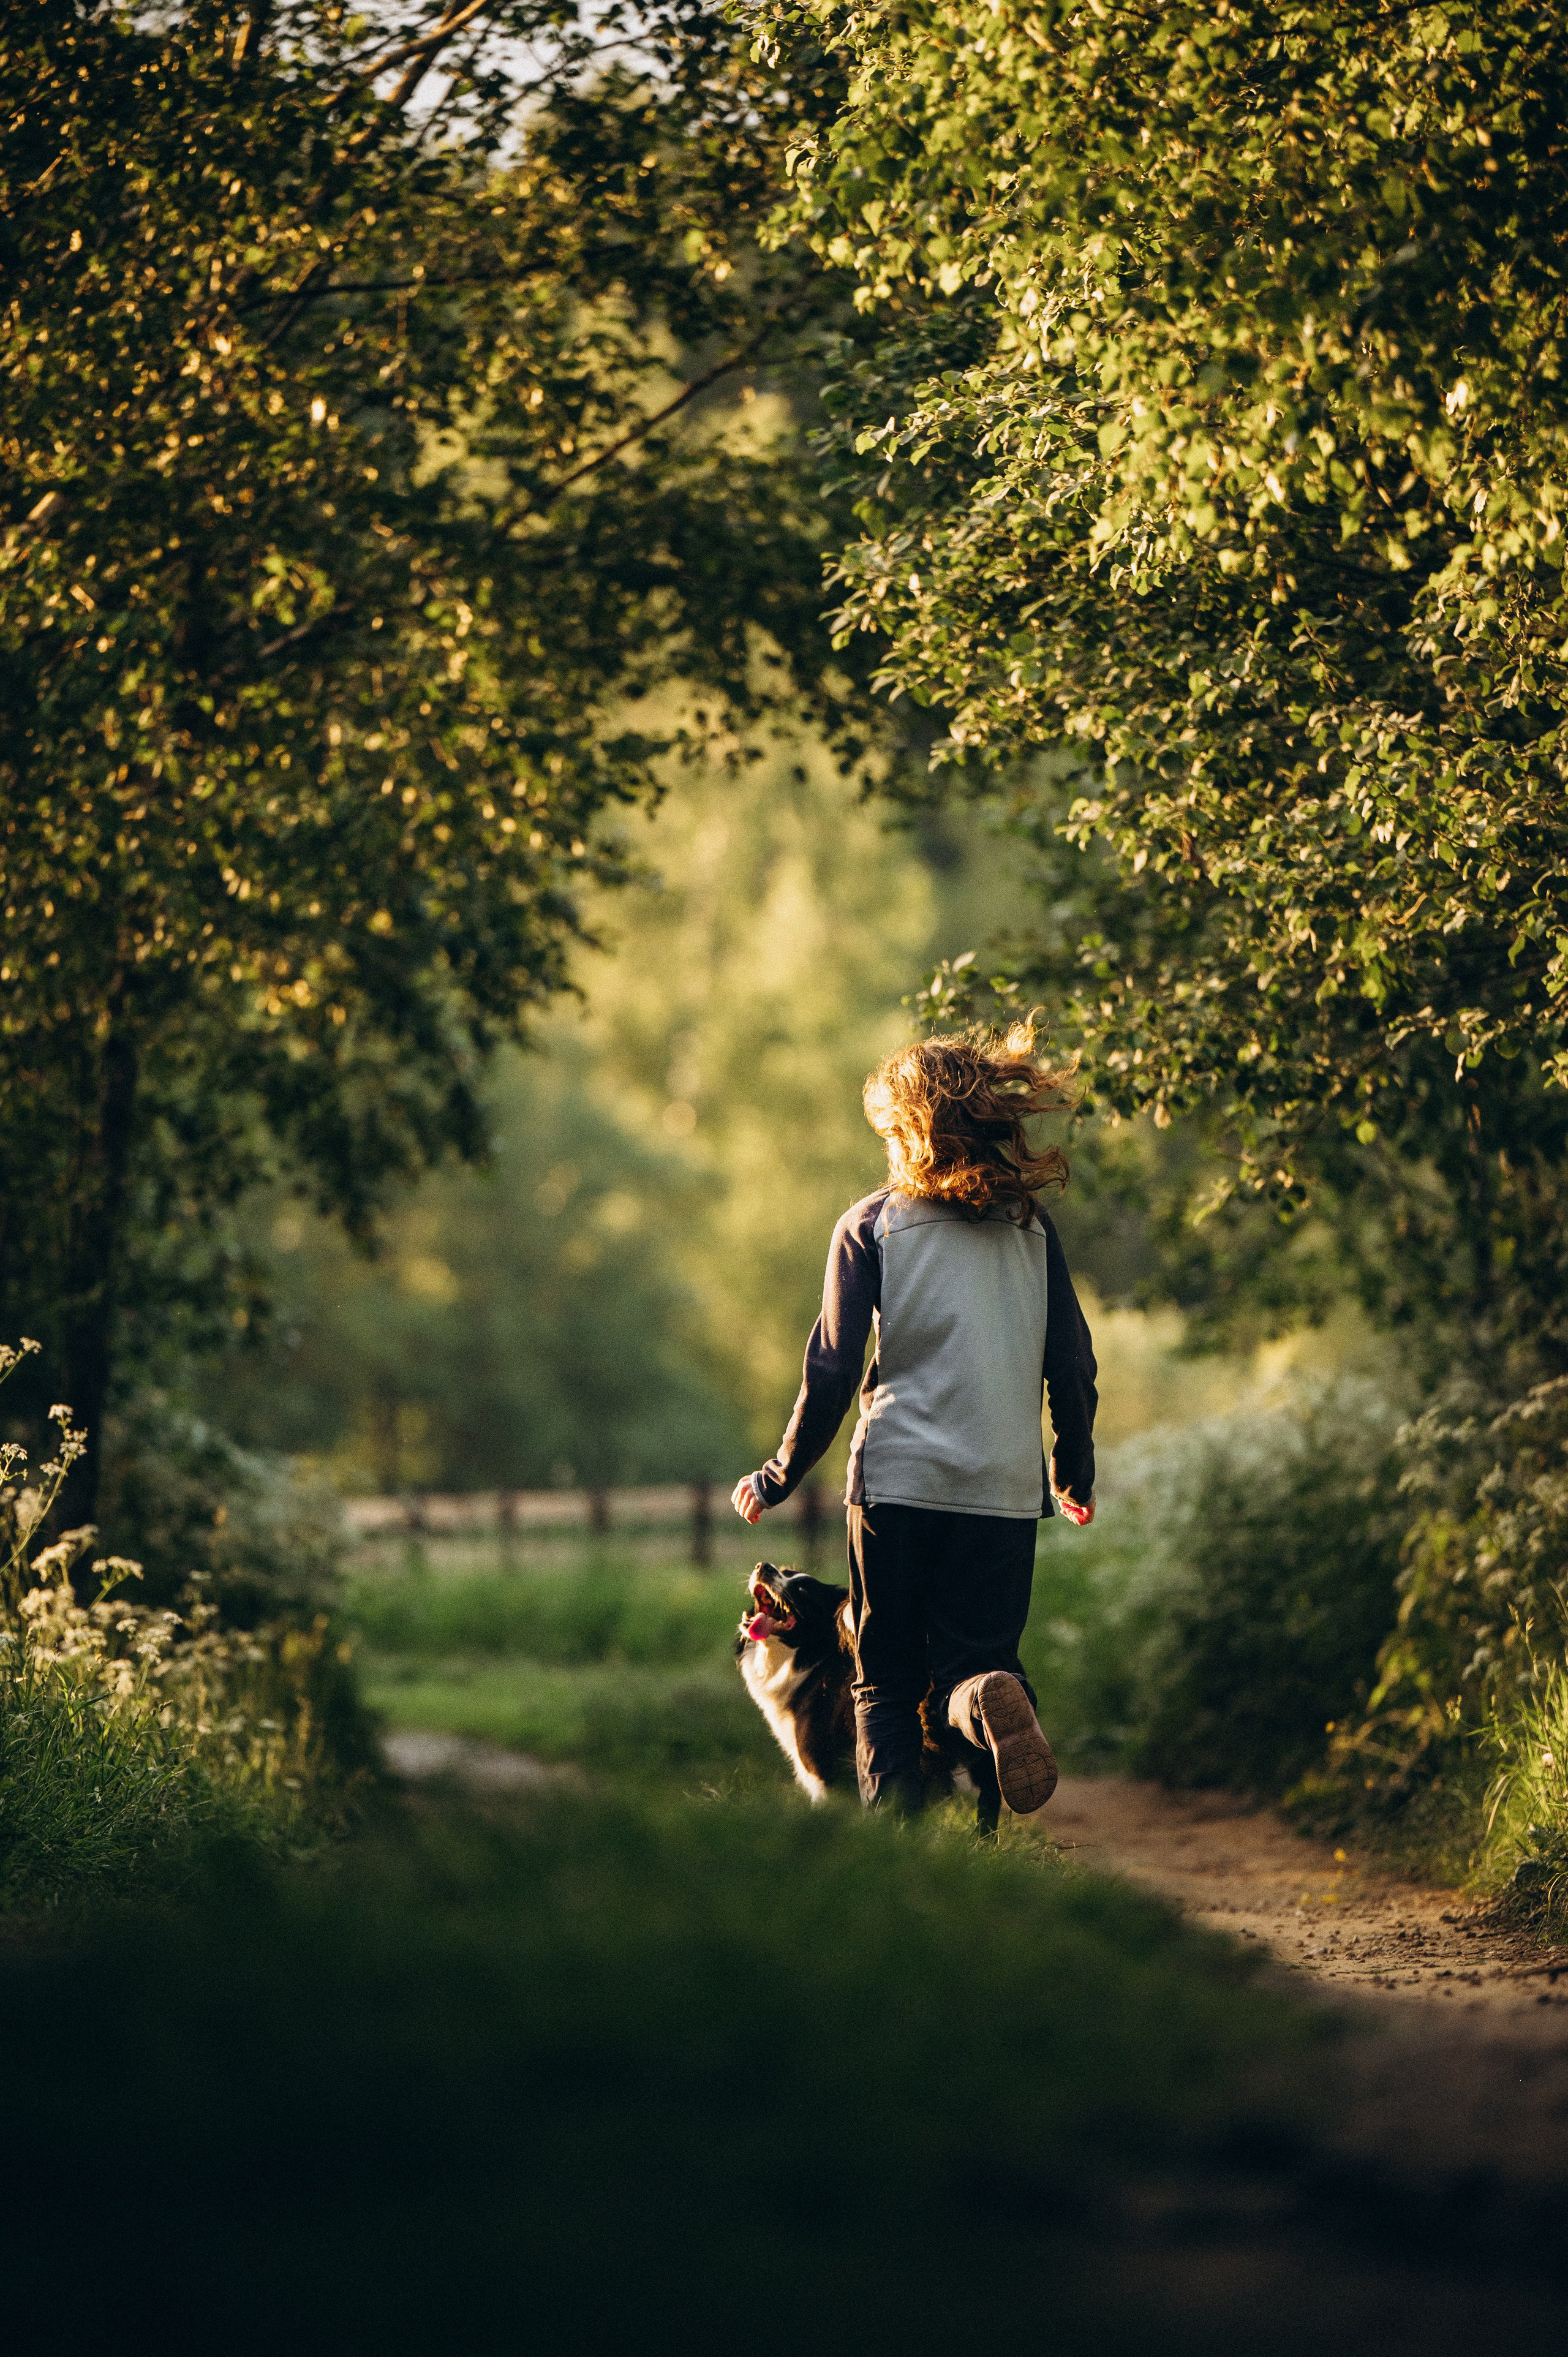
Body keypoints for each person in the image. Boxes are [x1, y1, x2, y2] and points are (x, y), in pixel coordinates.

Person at [731, 1021, 1098, 1816]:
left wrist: (780, 1473)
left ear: (906, 1129)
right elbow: (1070, 1363)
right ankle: (984, 1701)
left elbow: (830, 1367)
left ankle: (899, 1861)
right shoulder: (1031, 1231)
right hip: (1001, 1485)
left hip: (898, 1483)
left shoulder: (873, 1224)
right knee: (977, 1663)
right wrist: (1072, 1471)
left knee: (887, 1680)